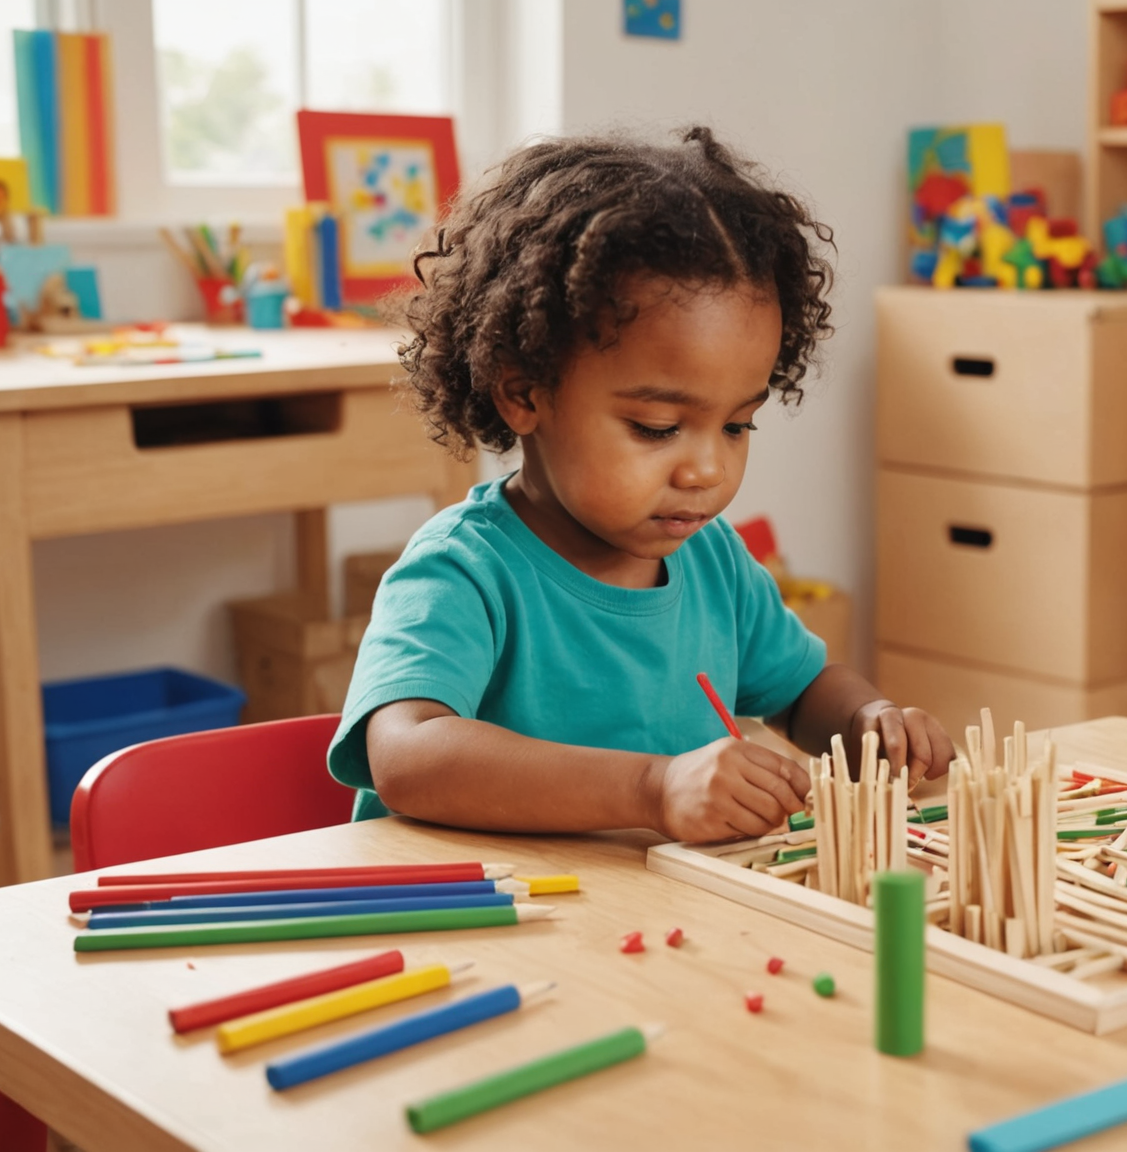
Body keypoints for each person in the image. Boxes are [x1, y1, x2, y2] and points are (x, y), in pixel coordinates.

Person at [332, 129, 954, 842]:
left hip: (644, 930)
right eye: (658, 427)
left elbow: (804, 689)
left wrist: (867, 722)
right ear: (524, 392)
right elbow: (408, 757)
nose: (707, 470)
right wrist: (651, 787)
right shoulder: (462, 570)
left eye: (737, 426)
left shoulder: (713, 563)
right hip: (491, 929)